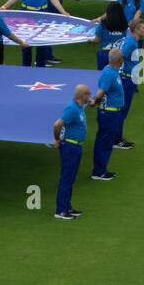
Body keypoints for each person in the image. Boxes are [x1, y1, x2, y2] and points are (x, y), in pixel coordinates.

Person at [51, 84, 91, 219]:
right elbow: (57, 125)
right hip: (70, 148)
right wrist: (57, 141)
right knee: (66, 178)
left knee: (71, 178)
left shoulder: (78, 107)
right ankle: (60, 210)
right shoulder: (72, 109)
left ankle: (67, 206)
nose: (90, 96)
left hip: (76, 147)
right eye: (88, 94)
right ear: (82, 95)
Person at [88, 47, 124, 182]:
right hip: (109, 113)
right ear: (120, 60)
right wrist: (94, 101)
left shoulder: (112, 71)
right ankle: (99, 171)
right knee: (104, 142)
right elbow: (101, 92)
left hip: (111, 113)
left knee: (106, 141)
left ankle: (100, 169)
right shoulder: (109, 74)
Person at [114, 18, 144, 150]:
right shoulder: (131, 43)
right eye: (143, 27)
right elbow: (119, 57)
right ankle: (116, 139)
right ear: (136, 30)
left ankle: (116, 137)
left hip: (128, 78)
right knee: (123, 110)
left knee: (122, 110)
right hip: (127, 79)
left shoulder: (131, 41)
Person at [91, 1, 128, 71]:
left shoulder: (102, 23)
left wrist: (90, 40)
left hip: (104, 54)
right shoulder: (124, 23)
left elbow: (97, 40)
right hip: (118, 55)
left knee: (102, 75)